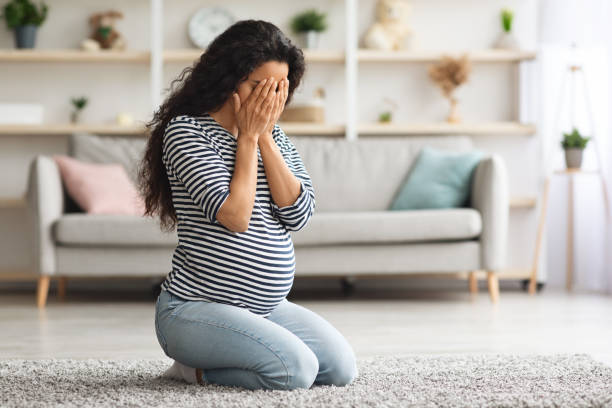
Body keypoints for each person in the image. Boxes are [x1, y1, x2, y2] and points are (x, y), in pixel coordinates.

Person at [137, 19, 358, 391]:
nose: (269, 99)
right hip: (193, 311)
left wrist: (265, 137)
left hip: (263, 308)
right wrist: (248, 138)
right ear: (228, 78)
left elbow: (299, 214)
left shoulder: (277, 136)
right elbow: (235, 217)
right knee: (296, 371)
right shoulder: (186, 132)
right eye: (259, 87)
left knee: (340, 369)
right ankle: (191, 371)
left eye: (278, 89)